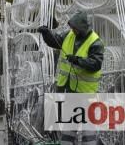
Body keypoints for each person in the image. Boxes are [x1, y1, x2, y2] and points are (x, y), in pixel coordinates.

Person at [38, 10, 104, 144]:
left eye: (75, 28)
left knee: (88, 133)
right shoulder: (69, 35)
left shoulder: (95, 42)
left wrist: (78, 60)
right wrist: (46, 34)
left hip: (86, 95)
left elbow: (96, 64)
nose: (72, 30)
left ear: (82, 28)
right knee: (68, 132)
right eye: (72, 27)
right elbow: (56, 41)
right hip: (70, 92)